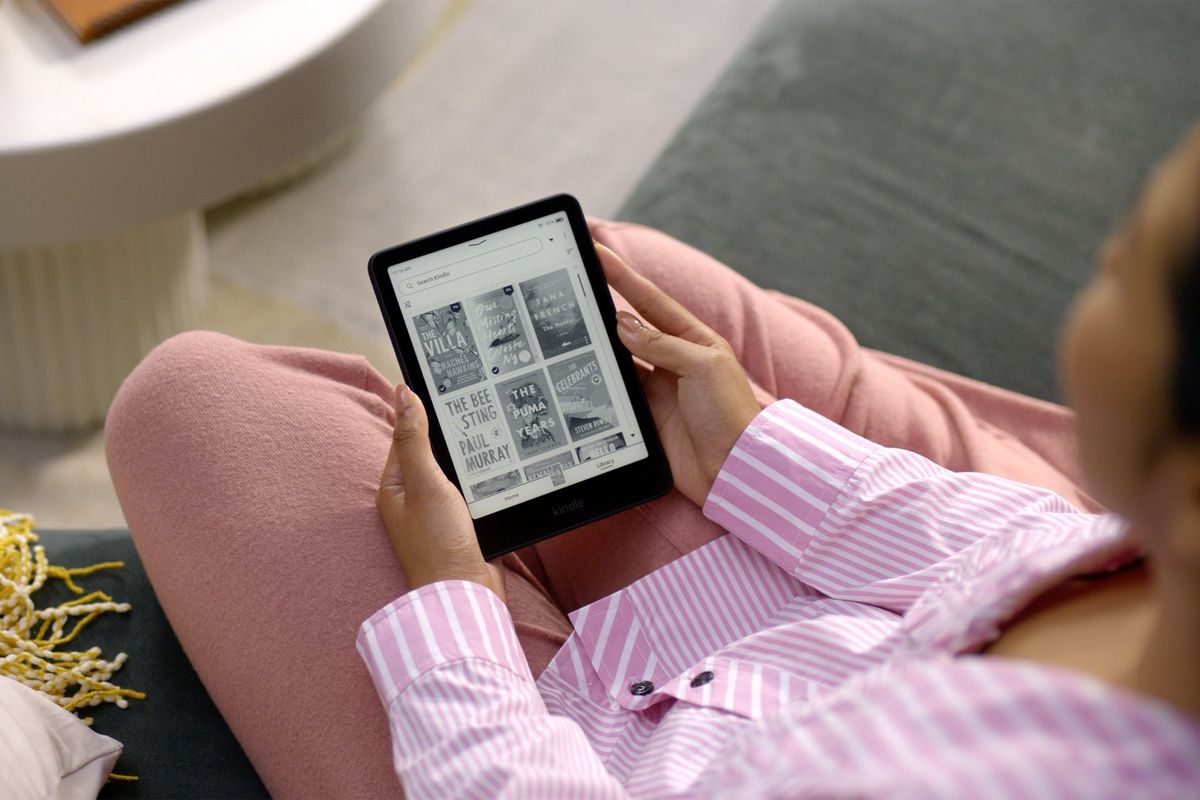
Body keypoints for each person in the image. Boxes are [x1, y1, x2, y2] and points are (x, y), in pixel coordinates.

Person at [105, 128, 1200, 797]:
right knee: (612, 275)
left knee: (189, 399)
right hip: (836, 611)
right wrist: (755, 451)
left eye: (1129, 270)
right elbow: (1019, 550)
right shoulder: (1152, 561)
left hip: (581, 754)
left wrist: (451, 613)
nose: (1103, 256)